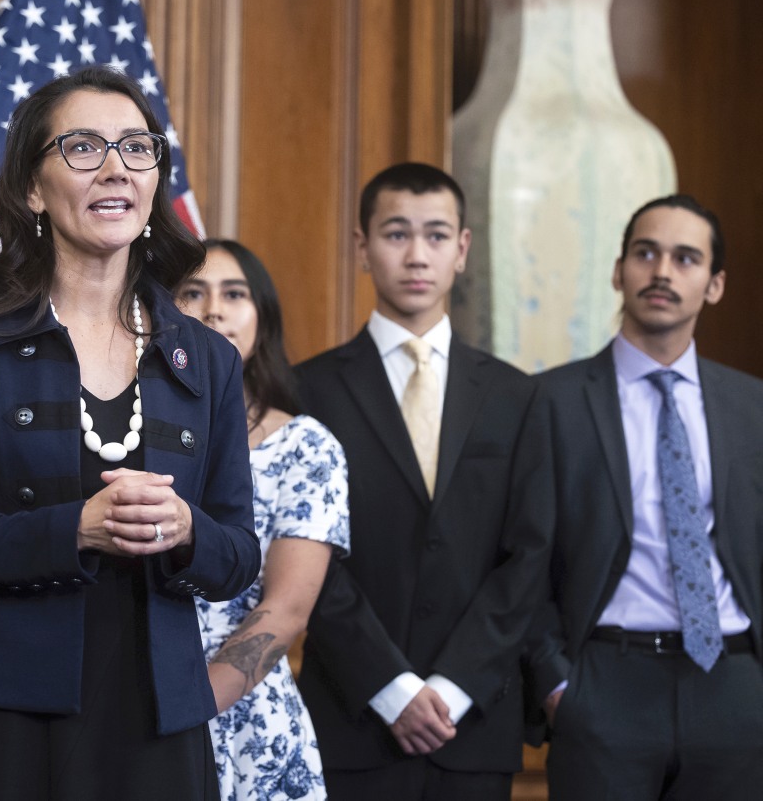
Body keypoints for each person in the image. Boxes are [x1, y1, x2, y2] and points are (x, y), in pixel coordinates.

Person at [0, 66, 261, 800]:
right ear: (33, 188)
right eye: (85, 148)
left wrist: (187, 527)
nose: (117, 167)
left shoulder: (208, 358)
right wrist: (74, 531)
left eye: (137, 147)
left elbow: (238, 556)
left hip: (155, 716)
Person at [293, 162, 553, 800]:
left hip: (473, 721)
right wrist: (392, 688)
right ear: (362, 247)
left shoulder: (515, 396)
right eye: (396, 234)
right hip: (351, 718)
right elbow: (303, 557)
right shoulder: (304, 390)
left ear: (462, 250)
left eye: (436, 236)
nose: (417, 255)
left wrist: (454, 684)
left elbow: (530, 557)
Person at [524, 195, 763, 800]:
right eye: (646, 253)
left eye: (686, 259)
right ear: (617, 270)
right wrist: (557, 685)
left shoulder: (752, 407)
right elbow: (521, 558)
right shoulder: (548, 402)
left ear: (714, 285)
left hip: (734, 686)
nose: (662, 271)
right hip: (604, 682)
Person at [178, 239, 350, 801]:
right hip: (123, 703)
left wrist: (190, 705)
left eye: (235, 294)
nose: (214, 310)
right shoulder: (118, 430)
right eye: (192, 293)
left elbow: (289, 607)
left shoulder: (306, 446)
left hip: (245, 719)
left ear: (262, 317)